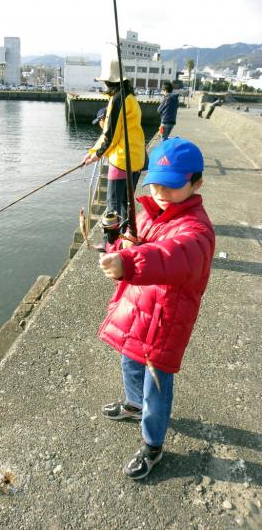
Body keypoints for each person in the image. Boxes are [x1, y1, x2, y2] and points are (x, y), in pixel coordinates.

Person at [98, 137, 215, 480]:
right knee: (129, 364)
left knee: (157, 386)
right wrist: (122, 243)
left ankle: (153, 444)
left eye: (173, 185)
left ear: (197, 183)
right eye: (156, 184)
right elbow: (140, 246)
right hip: (137, 311)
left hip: (164, 323)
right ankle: (133, 405)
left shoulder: (198, 230)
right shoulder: (152, 212)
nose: (161, 192)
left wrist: (130, 262)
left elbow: (174, 256)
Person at [83, 59, 145, 230]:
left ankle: (110, 245)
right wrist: (93, 151)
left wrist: (96, 155)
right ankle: (126, 239)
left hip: (121, 161)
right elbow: (113, 133)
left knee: (113, 207)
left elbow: (110, 136)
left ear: (108, 81)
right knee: (126, 204)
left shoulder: (118, 100)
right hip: (136, 159)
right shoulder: (131, 98)